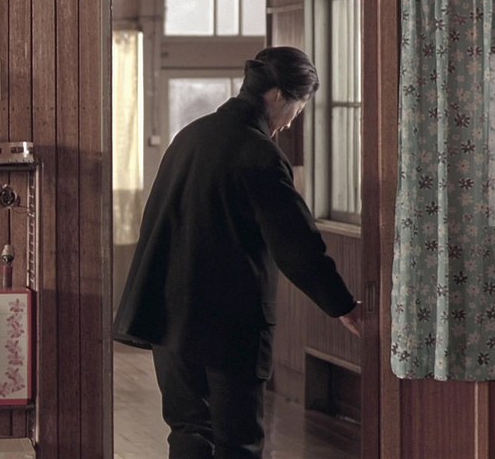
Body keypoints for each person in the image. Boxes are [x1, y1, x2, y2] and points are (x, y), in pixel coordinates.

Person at [113, 46, 363, 459]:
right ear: (278, 95)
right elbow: (296, 243)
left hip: (168, 316)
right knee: (238, 442)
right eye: (297, 108)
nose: (292, 121)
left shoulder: (190, 136)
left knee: (189, 432)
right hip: (229, 324)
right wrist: (343, 306)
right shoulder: (258, 152)